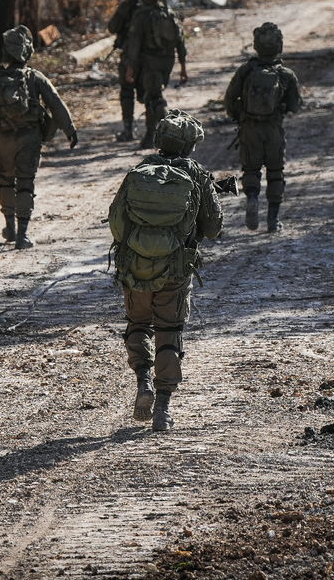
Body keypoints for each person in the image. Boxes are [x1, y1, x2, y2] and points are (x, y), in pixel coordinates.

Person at [108, 111, 222, 432]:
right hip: (174, 270)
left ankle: (143, 379)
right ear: (190, 145)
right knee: (169, 331)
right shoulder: (197, 175)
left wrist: (138, 247)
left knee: (138, 324)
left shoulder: (139, 171)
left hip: (135, 268)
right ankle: (162, 408)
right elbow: (213, 228)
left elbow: (116, 221)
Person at [0, 25, 79, 249]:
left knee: (5, 180)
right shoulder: (35, 77)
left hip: (2, 139)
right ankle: (22, 235)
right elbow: (55, 103)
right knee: (25, 183)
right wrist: (70, 130)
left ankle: (9, 228)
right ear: (27, 51)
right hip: (29, 138)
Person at [223, 22, 302, 233]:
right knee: (276, 172)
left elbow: (229, 99)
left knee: (251, 169)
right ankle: (273, 220)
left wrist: (239, 116)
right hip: (273, 129)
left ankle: (252, 198)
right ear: (279, 46)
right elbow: (295, 106)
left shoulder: (246, 71)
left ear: (256, 45)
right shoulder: (286, 74)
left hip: (249, 128)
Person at [122, 0, 188, 148]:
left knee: (154, 98)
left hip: (150, 63)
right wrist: (183, 67)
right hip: (167, 62)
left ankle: (169, 131)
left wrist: (130, 68)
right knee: (152, 96)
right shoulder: (170, 14)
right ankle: (151, 135)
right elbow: (181, 42)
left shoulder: (141, 16)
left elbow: (134, 44)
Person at [106, 0, 146, 142]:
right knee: (150, 95)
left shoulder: (127, 7)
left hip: (129, 56)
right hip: (149, 58)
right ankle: (152, 132)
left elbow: (112, 27)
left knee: (127, 93)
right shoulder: (149, 7)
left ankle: (128, 130)